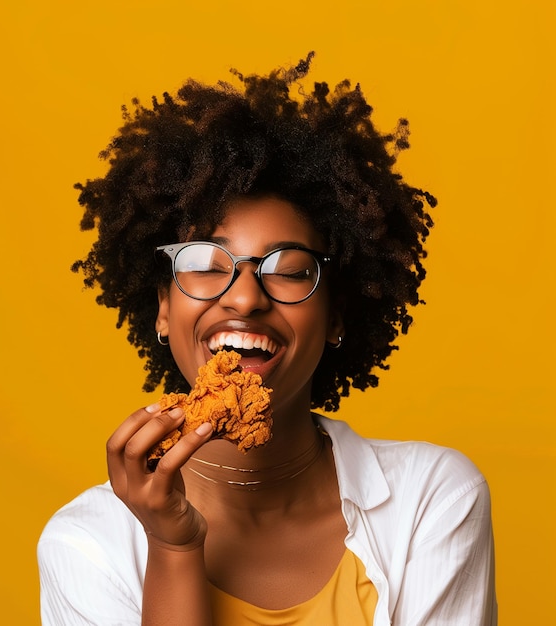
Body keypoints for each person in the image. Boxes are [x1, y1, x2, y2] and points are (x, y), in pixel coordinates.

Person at [38, 52, 497, 625]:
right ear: (161, 308)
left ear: (336, 316)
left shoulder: (435, 501)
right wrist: (173, 547)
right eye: (206, 262)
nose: (246, 297)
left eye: (289, 267)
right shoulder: (86, 545)